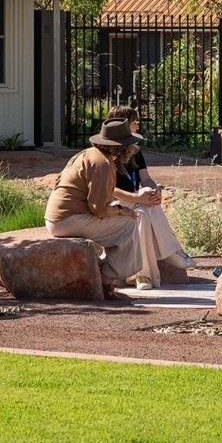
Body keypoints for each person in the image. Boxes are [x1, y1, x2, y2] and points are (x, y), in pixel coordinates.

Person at [44, 118, 146, 300]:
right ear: (122, 147)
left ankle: (104, 270)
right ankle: (106, 281)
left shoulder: (87, 154)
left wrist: (117, 208)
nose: (133, 149)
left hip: (57, 218)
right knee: (128, 225)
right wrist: (122, 210)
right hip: (67, 221)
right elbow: (99, 209)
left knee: (120, 220)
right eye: (130, 145)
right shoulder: (103, 164)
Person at [105, 105, 196, 288]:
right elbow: (108, 190)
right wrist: (138, 197)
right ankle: (171, 251)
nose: (137, 127)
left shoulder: (135, 151)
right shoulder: (106, 154)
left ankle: (142, 276)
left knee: (144, 216)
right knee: (144, 203)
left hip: (135, 204)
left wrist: (155, 190)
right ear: (123, 126)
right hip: (113, 205)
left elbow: (145, 178)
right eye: (134, 123)